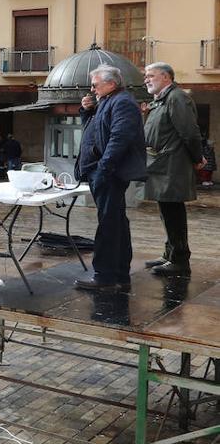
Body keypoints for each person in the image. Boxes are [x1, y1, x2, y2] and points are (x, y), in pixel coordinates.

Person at [75, 65, 147, 290]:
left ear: (111, 84)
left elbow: (119, 139)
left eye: (95, 84)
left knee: (108, 225)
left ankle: (105, 277)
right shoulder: (108, 101)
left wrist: (104, 170)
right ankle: (119, 275)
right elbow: (97, 131)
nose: (92, 88)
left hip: (108, 173)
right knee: (116, 223)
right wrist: (88, 111)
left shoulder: (122, 102)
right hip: (103, 171)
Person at [142, 62, 204, 277]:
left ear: (166, 77)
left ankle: (179, 261)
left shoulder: (177, 97)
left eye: (151, 75)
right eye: (146, 76)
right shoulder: (161, 100)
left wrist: (198, 158)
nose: (146, 79)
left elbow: (190, 132)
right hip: (162, 164)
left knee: (174, 213)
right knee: (167, 212)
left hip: (172, 164)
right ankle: (169, 255)